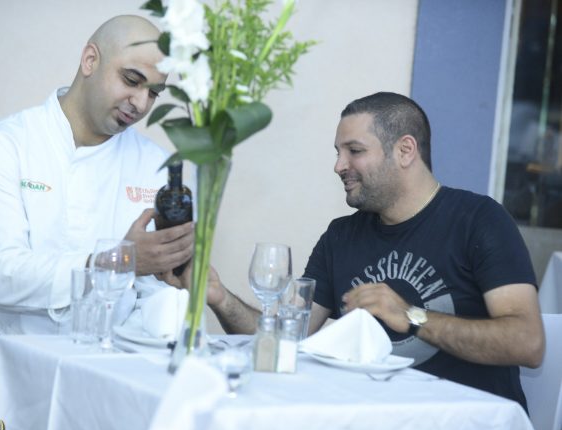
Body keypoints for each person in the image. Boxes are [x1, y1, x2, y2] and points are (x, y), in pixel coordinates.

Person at [202, 92, 545, 410]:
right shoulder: (340, 236)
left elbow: (527, 343)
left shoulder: (479, 220)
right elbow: (285, 341)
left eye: (355, 150)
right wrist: (219, 297)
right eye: (338, 152)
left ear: (405, 151)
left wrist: (411, 316)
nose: (339, 165)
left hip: (464, 423)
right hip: (369, 420)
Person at [0, 15, 193, 413]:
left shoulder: (157, 167)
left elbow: (159, 299)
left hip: (111, 368)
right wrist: (117, 262)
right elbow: (1, 274)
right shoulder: (5, 145)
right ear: (90, 60)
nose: (141, 104)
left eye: (154, 93)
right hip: (3, 360)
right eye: (131, 80)